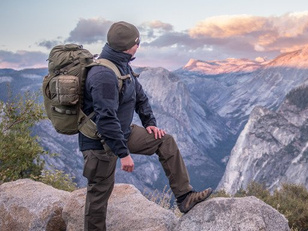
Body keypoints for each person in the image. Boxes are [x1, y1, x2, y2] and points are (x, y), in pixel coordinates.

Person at [78, 21, 212, 230]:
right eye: (137, 42)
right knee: (99, 194)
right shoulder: (103, 75)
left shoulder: (122, 64)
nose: (138, 46)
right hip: (98, 142)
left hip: (122, 132)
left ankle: (184, 197)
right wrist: (123, 154)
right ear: (129, 45)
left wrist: (150, 123)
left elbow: (140, 97)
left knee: (164, 141)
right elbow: (105, 119)